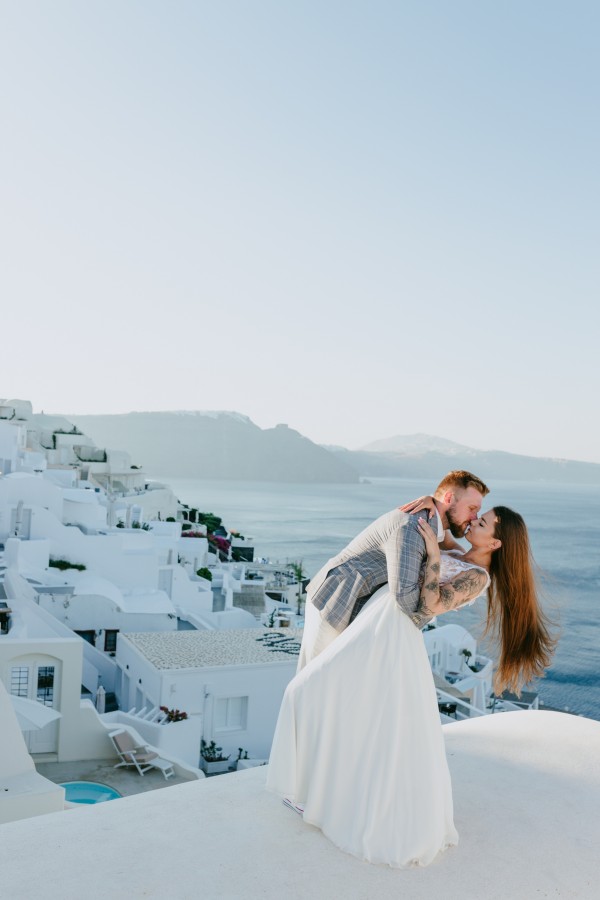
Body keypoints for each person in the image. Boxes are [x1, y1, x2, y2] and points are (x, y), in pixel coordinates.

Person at [266, 499, 555, 868]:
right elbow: (439, 518)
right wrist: (433, 501)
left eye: (481, 522)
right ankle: (315, 794)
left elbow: (430, 604)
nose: (473, 522)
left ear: (495, 543)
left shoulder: (478, 578)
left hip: (391, 633)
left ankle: (320, 797)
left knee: (308, 691)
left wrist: (433, 553)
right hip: (373, 622)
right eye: (476, 515)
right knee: (340, 704)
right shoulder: (458, 551)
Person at [297, 470, 489, 671]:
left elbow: (459, 555)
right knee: (314, 677)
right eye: (472, 509)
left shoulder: (433, 526)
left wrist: (459, 589)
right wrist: (441, 603)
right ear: (449, 498)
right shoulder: (414, 526)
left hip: (354, 605)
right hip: (335, 601)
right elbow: (406, 599)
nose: (474, 518)